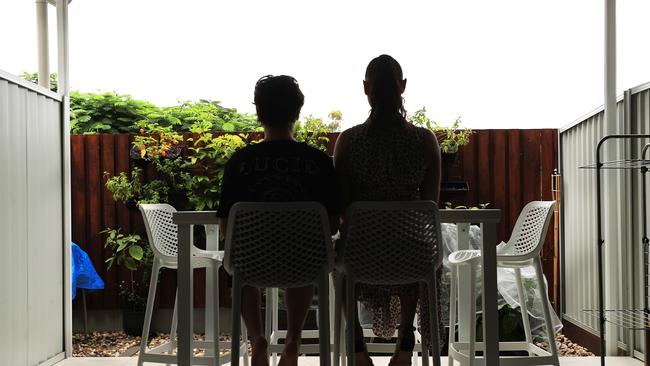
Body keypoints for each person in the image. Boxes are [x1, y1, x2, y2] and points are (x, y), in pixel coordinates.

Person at [216, 75, 340, 366]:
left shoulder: (239, 162)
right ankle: (293, 339)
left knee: (239, 266)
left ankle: (257, 336)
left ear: (259, 113)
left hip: (252, 263)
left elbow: (226, 230)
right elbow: (332, 226)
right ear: (297, 112)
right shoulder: (320, 162)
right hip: (303, 262)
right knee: (308, 258)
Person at [333, 55, 442, 366]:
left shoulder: (349, 141)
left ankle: (356, 342)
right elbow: (429, 209)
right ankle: (405, 336)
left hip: (361, 255)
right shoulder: (425, 141)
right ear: (402, 87)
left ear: (366, 89)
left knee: (337, 266)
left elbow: (342, 207)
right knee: (420, 251)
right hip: (412, 255)